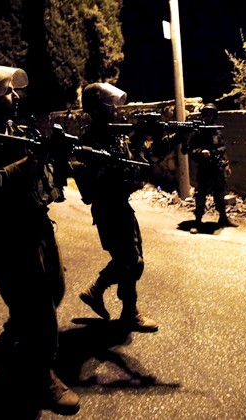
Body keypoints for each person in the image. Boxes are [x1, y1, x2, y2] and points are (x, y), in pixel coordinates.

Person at [0, 64, 79, 415]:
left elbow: (47, 170)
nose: (15, 96)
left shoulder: (18, 129)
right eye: (6, 92)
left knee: (55, 290)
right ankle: (42, 376)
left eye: (14, 90)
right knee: (40, 309)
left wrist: (58, 156)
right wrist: (24, 166)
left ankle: (5, 342)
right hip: (10, 234)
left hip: (39, 224)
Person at [72, 82, 159, 333]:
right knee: (131, 260)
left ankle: (117, 304)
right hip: (108, 209)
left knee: (132, 260)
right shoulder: (90, 140)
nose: (115, 109)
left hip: (121, 205)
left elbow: (137, 162)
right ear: (96, 108)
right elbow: (92, 178)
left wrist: (143, 138)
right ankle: (120, 306)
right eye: (110, 105)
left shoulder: (116, 135)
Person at [183, 102, 237, 232]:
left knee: (220, 194)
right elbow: (189, 150)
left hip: (217, 168)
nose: (208, 116)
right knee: (201, 195)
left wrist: (226, 165)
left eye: (211, 114)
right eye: (206, 113)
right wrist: (201, 152)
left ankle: (223, 217)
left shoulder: (217, 131)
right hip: (205, 168)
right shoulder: (198, 132)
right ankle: (198, 221)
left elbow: (222, 149)